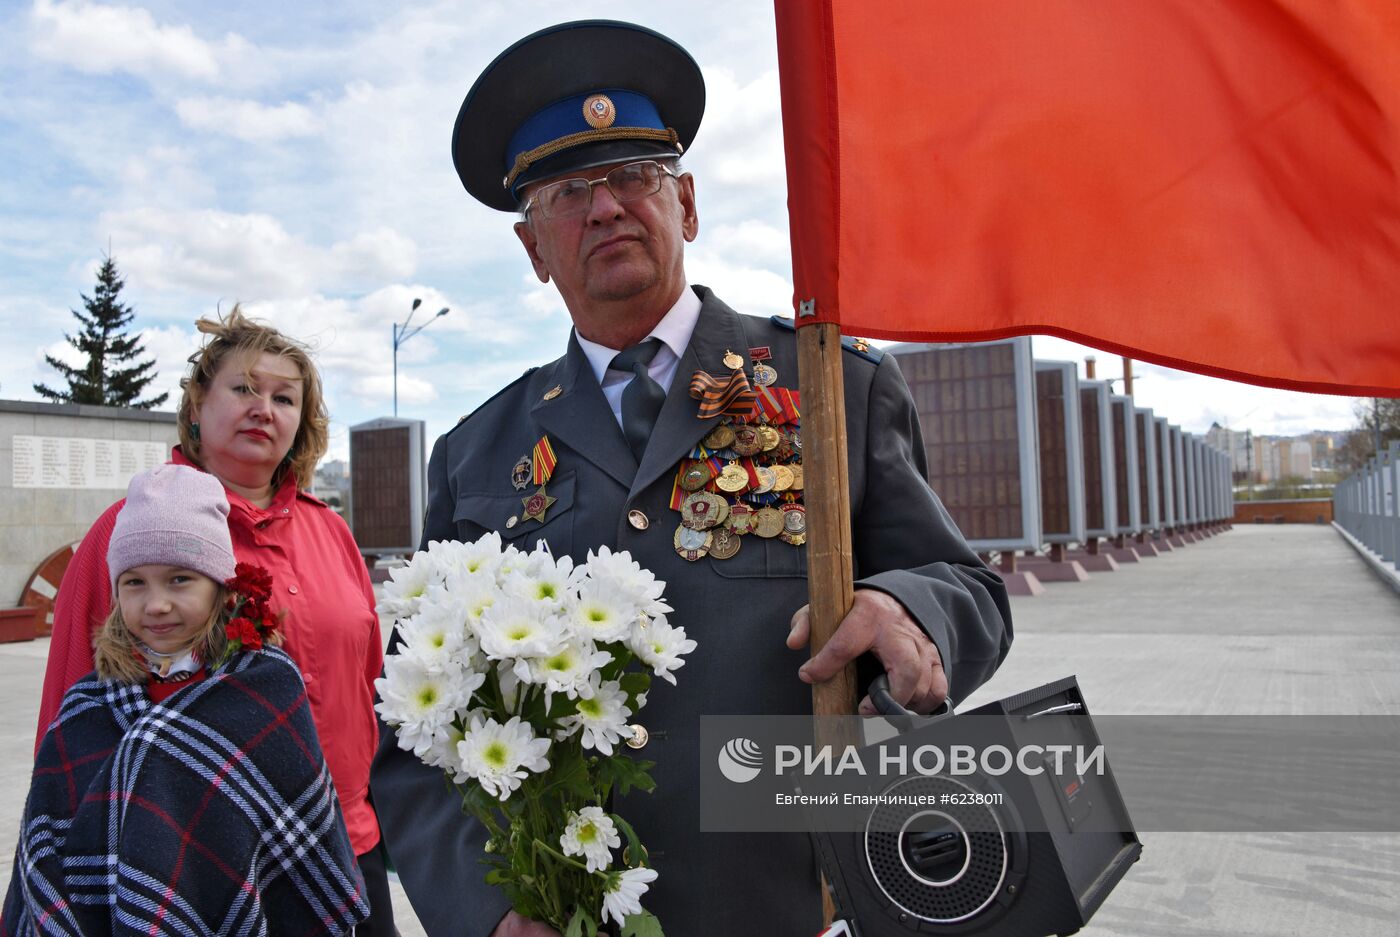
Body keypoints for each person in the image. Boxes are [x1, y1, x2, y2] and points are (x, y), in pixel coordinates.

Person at [370, 20, 1013, 937]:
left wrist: (913, 613)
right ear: (532, 249)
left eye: (636, 177)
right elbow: (413, 740)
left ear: (689, 206)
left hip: (795, 903)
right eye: (568, 194)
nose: (605, 210)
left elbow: (969, 590)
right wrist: (488, 914)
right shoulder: (476, 454)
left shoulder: (831, 389)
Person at [35, 307, 397, 934]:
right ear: (199, 403)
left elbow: (371, 688)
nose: (264, 408)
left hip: (338, 843)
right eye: (244, 388)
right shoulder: (129, 534)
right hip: (189, 859)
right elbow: (70, 715)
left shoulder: (333, 532)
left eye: (285, 397)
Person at [4, 465, 367, 934]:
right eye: (134, 582)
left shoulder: (268, 690)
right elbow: (47, 844)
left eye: (179, 579)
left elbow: (301, 846)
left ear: (219, 587)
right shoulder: (87, 706)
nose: (155, 604)